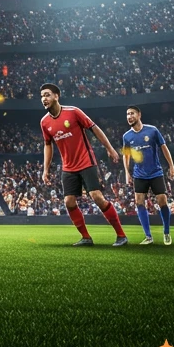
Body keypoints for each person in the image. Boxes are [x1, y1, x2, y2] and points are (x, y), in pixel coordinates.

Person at [39, 83, 127, 247]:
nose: (44, 98)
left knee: (97, 197)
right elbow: (47, 145)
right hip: (68, 167)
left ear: (56, 96)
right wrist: (45, 169)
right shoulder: (44, 122)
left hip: (86, 161)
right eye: (42, 96)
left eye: (47, 95)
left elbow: (94, 128)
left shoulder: (73, 112)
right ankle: (86, 238)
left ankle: (121, 235)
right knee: (69, 202)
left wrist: (110, 149)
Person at [122, 105, 174, 245]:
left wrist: (171, 165)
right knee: (139, 202)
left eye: (132, 113)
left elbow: (164, 148)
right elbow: (126, 155)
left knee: (162, 202)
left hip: (155, 172)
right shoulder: (126, 136)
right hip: (139, 174)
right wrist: (127, 173)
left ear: (139, 115)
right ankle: (148, 236)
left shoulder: (152, 130)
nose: (129, 116)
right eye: (127, 114)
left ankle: (166, 232)